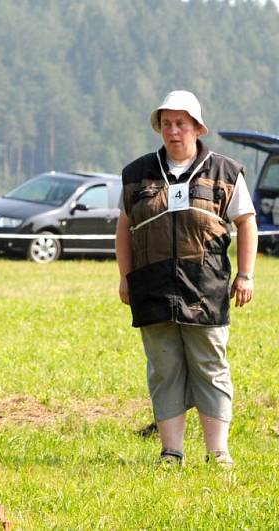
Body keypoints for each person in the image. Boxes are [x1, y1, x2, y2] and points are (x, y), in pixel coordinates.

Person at [115, 90, 257, 468]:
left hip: (206, 287)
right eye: (166, 124)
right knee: (164, 369)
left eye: (181, 124)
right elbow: (124, 227)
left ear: (197, 128)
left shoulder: (225, 172)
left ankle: (218, 452)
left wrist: (245, 275)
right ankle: (171, 453)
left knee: (210, 366)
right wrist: (125, 276)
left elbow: (247, 223)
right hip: (152, 285)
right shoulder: (136, 174)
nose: (173, 131)